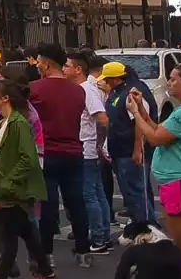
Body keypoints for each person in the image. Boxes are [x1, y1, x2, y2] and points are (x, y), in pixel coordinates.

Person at [129, 60, 181, 278]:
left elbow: (156, 138)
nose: (169, 83)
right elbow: (160, 130)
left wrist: (136, 114)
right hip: (180, 182)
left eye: (173, 79)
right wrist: (142, 110)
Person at [28, 43, 91, 268]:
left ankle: (46, 254)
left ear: (45, 63)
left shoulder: (34, 89)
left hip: (46, 153)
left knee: (47, 206)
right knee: (76, 202)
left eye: (38, 62)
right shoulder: (78, 90)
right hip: (74, 151)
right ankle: (84, 250)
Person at [0, 78, 53, 279]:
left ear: (6, 98)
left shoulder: (19, 123)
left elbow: (29, 157)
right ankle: (46, 271)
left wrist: (8, 181)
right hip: (3, 184)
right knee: (26, 232)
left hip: (11, 188)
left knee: (9, 237)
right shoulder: (1, 120)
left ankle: (3, 274)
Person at [65, 50, 111, 254]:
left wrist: (99, 144)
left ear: (78, 69)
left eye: (67, 65)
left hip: (87, 149)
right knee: (97, 193)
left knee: (89, 194)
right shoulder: (83, 88)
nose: (64, 69)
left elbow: (102, 119)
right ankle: (103, 235)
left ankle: (99, 238)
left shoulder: (86, 90)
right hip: (87, 148)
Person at [101, 60, 157, 225]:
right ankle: (139, 226)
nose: (104, 82)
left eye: (107, 79)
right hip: (118, 151)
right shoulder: (115, 93)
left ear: (116, 79)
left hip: (129, 152)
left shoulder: (130, 94)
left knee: (137, 193)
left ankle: (149, 228)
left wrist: (137, 149)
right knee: (130, 193)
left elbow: (140, 123)